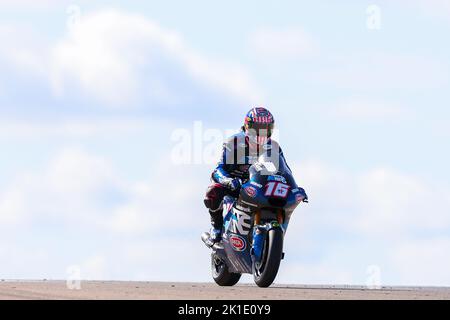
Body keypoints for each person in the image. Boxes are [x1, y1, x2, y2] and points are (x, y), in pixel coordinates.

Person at [203, 106, 301, 243]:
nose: (261, 133)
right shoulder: (234, 142)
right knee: (213, 191)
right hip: (235, 185)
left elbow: (286, 171)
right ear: (247, 126)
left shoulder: (274, 147)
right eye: (257, 128)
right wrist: (229, 181)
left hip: (260, 187)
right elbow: (218, 170)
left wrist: (295, 188)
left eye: (265, 129)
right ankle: (216, 227)